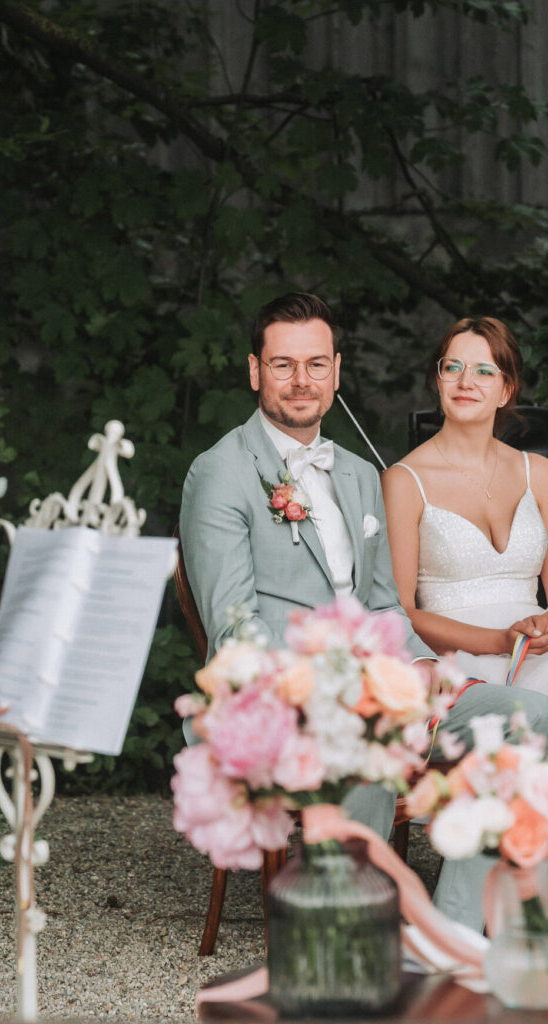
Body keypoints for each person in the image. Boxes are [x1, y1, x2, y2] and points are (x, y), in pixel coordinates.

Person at [179, 292, 548, 930]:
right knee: (367, 737)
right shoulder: (221, 472)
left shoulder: (354, 474)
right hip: (284, 700)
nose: (302, 380)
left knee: (532, 720)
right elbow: (236, 629)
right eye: (283, 364)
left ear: (337, 372)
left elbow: (383, 605)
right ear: (255, 371)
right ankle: (350, 931)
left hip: (390, 689)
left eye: (316, 364)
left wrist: (424, 666)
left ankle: (452, 931)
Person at [383, 317, 548, 694]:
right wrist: (500, 641)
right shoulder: (404, 481)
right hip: (456, 662)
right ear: (439, 379)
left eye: (484, 371)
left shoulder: (539, 473)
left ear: (506, 390)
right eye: (453, 367)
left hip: (538, 654)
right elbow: (400, 612)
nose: (465, 382)